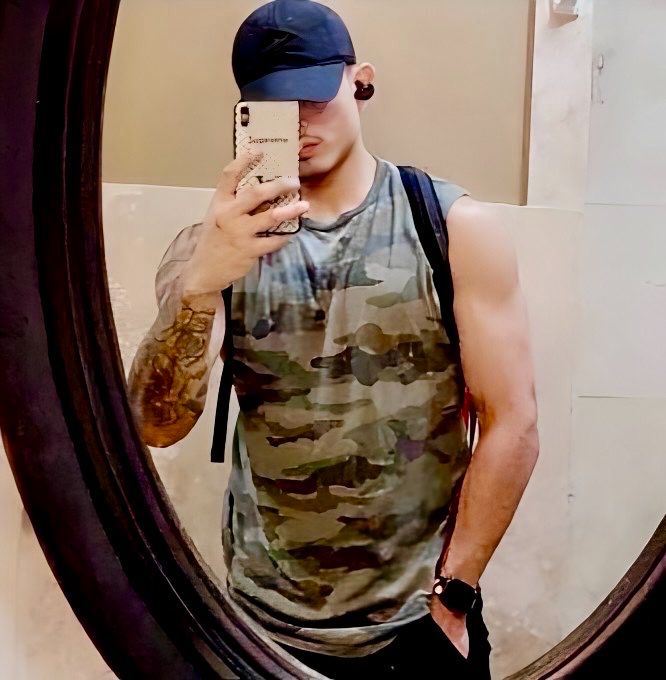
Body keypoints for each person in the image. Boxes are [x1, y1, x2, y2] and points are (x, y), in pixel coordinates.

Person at [127, 1, 540, 677]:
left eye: (312, 97)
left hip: (419, 627)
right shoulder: (213, 249)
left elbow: (514, 422)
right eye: (273, 105)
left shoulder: (453, 228)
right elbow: (154, 425)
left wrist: (454, 598)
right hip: (259, 630)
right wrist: (200, 286)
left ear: (360, 81)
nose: (297, 121)